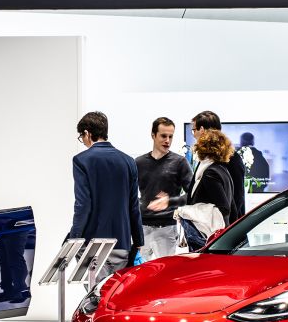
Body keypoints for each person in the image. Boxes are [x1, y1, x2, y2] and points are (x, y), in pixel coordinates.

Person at [68, 112, 144, 280]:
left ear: (87, 133)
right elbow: (133, 205)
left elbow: (83, 205)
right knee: (115, 296)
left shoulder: (82, 160)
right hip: (122, 242)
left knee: (96, 297)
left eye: (82, 137)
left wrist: (73, 239)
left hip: (92, 243)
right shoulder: (128, 161)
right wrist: (138, 240)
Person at [135, 117, 192, 262]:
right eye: (163, 136)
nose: (167, 140)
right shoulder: (139, 162)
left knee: (165, 274)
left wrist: (170, 202)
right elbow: (127, 193)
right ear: (153, 135)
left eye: (170, 136)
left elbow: (192, 195)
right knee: (139, 274)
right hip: (142, 227)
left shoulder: (180, 162)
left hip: (167, 228)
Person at [178, 130, 235, 251]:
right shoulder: (222, 170)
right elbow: (232, 206)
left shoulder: (210, 172)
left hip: (208, 236)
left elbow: (224, 207)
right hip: (218, 234)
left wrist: (187, 211)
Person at [192, 111, 245, 222]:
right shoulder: (207, 158)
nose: (194, 135)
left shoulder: (232, 158)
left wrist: (230, 228)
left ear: (201, 130)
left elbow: (237, 197)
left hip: (223, 229)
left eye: (194, 130)